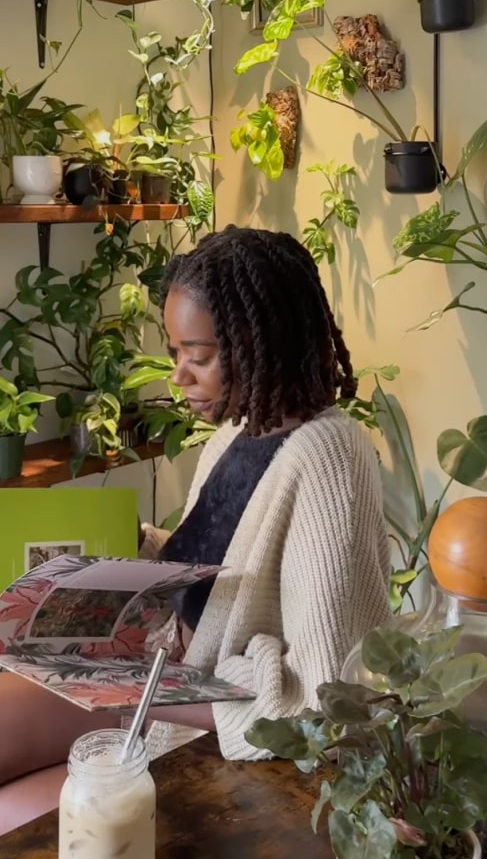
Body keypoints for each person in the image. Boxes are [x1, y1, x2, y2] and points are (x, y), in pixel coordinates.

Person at [0, 226, 391, 833]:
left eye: (200, 357)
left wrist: (165, 691)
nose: (179, 376)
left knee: (17, 818)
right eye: (176, 351)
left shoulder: (328, 460)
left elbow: (326, 697)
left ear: (264, 344)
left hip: (183, 709)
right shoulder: (238, 432)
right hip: (144, 671)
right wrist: (135, 544)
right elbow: (217, 575)